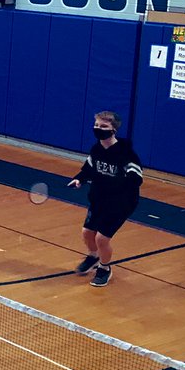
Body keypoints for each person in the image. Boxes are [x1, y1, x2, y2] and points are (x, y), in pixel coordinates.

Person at [68, 110, 142, 287]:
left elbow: (136, 178)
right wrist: (80, 179)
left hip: (121, 203)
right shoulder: (96, 149)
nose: (98, 129)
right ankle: (94, 257)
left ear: (113, 129)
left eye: (103, 126)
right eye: (96, 125)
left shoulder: (126, 153)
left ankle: (104, 268)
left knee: (102, 238)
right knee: (87, 234)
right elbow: (88, 169)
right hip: (99, 199)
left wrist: (117, 186)